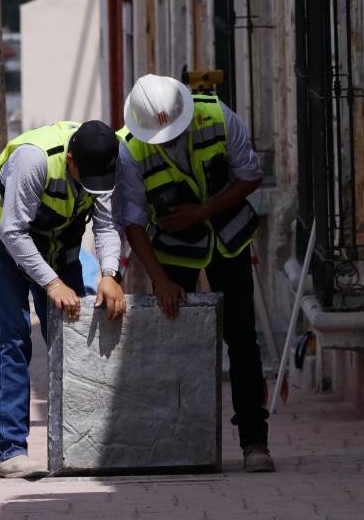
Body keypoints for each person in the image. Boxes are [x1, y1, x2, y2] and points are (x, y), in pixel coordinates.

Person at [115, 75, 274, 473]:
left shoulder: (218, 116)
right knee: (172, 346)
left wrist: (203, 211)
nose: (166, 142)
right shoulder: (130, 150)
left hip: (229, 239)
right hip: (174, 252)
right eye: (159, 138)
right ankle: (176, 443)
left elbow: (250, 175)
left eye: (172, 135)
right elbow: (132, 221)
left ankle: (255, 441)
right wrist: (160, 280)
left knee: (241, 339)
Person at [0, 119, 126, 479]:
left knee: (71, 341)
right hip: (3, 248)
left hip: (59, 247)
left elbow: (105, 225)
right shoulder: (34, 159)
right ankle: (9, 449)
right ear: (70, 159)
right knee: (12, 341)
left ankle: (82, 444)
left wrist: (109, 274)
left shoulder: (105, 162)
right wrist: (52, 284)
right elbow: (12, 230)